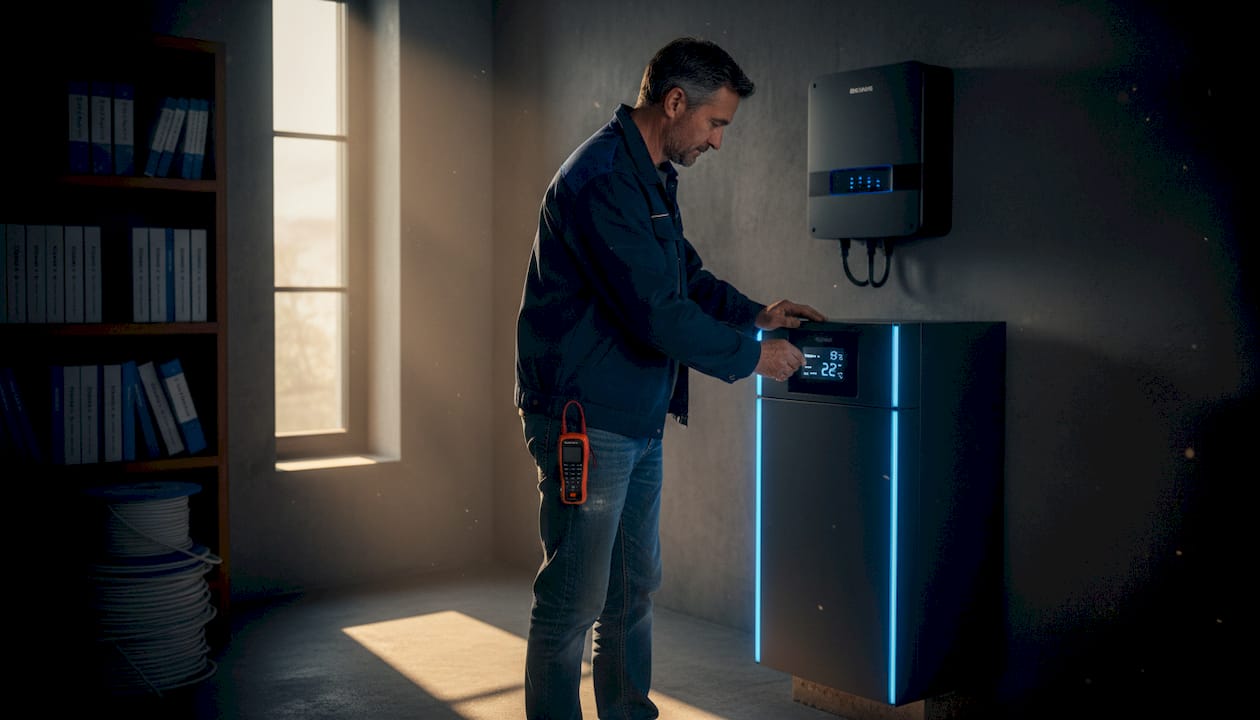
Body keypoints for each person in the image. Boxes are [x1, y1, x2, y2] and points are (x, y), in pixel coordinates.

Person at [513, 36, 825, 720]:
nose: (718, 141)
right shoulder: (601, 178)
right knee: (573, 599)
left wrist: (756, 316)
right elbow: (656, 312)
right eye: (716, 123)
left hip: (636, 417)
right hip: (585, 422)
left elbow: (685, 279)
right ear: (675, 102)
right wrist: (753, 358)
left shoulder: (649, 174)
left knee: (632, 589)